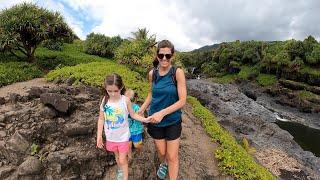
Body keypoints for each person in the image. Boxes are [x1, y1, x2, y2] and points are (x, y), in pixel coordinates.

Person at [138, 40, 187, 180]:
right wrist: (142, 109)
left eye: (168, 55)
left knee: (172, 156)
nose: (164, 59)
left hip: (172, 120)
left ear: (172, 55)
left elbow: (183, 100)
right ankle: (163, 163)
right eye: (161, 55)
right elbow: (151, 94)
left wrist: (162, 112)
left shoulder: (177, 73)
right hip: (154, 120)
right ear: (157, 55)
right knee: (162, 151)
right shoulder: (152, 74)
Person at [96, 73, 150, 180]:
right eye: (109, 91)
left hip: (123, 137)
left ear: (121, 87)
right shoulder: (104, 101)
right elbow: (101, 119)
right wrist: (99, 136)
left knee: (122, 159)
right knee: (117, 157)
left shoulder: (125, 100)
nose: (112, 94)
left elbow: (133, 115)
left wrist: (145, 119)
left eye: (116, 91)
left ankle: (125, 177)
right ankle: (120, 170)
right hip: (111, 137)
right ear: (105, 89)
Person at [124, 89, 144, 160]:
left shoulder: (136, 107)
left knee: (137, 145)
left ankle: (140, 151)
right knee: (128, 145)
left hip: (136, 130)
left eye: (130, 100)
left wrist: (140, 115)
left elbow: (142, 117)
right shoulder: (122, 108)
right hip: (126, 131)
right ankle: (130, 157)